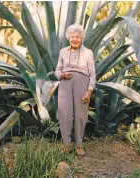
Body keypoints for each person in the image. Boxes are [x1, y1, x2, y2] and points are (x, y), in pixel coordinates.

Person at [55, 24, 96, 156]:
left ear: (81, 38)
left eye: (77, 37)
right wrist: (62, 75)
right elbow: (57, 70)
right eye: (72, 37)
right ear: (69, 38)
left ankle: (78, 144)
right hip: (65, 84)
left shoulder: (88, 53)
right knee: (64, 114)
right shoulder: (63, 51)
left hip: (82, 85)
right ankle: (67, 144)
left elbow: (92, 75)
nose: (75, 39)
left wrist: (89, 91)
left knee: (80, 115)